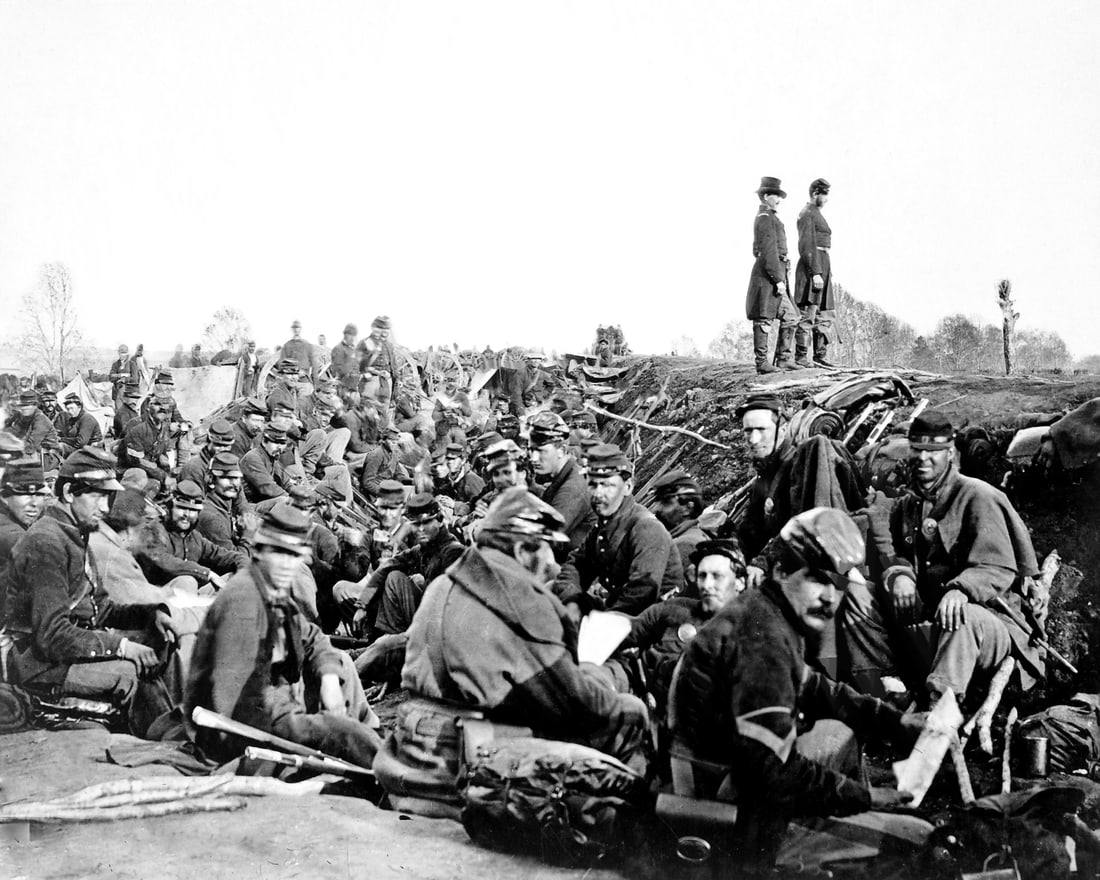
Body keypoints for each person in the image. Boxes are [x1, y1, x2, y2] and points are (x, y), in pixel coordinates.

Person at [671, 508, 920, 873]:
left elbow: (816, 687)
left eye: (838, 583)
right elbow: (774, 771)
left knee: (838, 731)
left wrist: (895, 721)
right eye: (818, 579)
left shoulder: (767, 611)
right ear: (781, 571)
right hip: (724, 806)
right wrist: (863, 798)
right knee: (911, 840)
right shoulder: (763, 639)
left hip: (727, 773)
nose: (830, 597)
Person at [375, 488, 649, 808]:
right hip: (470, 771)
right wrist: (599, 670)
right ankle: (624, 842)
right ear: (522, 550)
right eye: (549, 551)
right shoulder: (519, 601)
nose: (553, 565)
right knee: (629, 714)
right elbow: (580, 706)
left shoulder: (446, 583)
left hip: (410, 753)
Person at [838, 411, 1045, 705]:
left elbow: (998, 566)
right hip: (929, 622)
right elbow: (895, 555)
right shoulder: (908, 505)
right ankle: (888, 690)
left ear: (949, 453)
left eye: (933, 452)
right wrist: (900, 577)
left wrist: (961, 589)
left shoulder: (978, 496)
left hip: (987, 627)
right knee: (857, 596)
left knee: (962, 616)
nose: (923, 459)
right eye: (917, 451)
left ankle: (938, 711)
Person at [185, 502, 382, 768]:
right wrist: (308, 724)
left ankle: (375, 747)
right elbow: (239, 696)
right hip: (237, 725)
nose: (289, 564)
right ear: (261, 552)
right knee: (344, 734)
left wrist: (328, 678)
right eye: (281, 554)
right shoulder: (242, 599)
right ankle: (381, 762)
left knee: (340, 666)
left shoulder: (271, 589)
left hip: (274, 705)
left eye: (295, 555)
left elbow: (311, 635)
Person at [1, 448, 178, 733]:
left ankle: (166, 735)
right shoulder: (46, 542)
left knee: (153, 648)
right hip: (39, 668)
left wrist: (149, 616)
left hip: (64, 655)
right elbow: (52, 635)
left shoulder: (74, 532)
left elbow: (101, 608)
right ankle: (160, 745)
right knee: (131, 673)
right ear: (70, 492)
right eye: (97, 495)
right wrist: (121, 647)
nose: (106, 508)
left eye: (108, 497)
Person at [609, 538, 746, 710]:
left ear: (740, 582)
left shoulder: (749, 638)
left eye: (717, 576)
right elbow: (625, 631)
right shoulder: (675, 609)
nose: (706, 585)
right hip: (630, 695)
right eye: (702, 576)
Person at [553, 443, 682, 614]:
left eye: (607, 485)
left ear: (628, 487)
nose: (598, 494)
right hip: (617, 611)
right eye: (593, 485)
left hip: (650, 623)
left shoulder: (646, 528)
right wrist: (573, 600)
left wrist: (596, 622)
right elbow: (577, 565)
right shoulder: (605, 523)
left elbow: (641, 596)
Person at [353, 493, 464, 639]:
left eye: (426, 523)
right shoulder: (422, 550)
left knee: (395, 578)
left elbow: (447, 607)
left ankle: (390, 643)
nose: (420, 529)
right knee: (388, 574)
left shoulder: (453, 552)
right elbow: (387, 566)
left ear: (440, 520)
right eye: (416, 524)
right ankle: (384, 640)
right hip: (421, 622)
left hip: (439, 633)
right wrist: (362, 605)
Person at [135, 480, 245, 591]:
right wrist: (208, 573)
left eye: (192, 510)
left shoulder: (195, 538)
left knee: (231, 578)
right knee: (187, 581)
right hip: (154, 598)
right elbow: (164, 561)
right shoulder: (153, 530)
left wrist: (245, 568)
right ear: (170, 508)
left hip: (187, 598)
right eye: (181, 508)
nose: (186, 515)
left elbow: (228, 556)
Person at [746, 176, 799, 374]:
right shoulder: (765, 219)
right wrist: (777, 279)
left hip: (776, 271)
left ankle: (784, 359)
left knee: (791, 316)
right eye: (775, 196)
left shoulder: (770, 218)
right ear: (766, 196)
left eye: (779, 196)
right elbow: (767, 251)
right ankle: (762, 363)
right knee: (764, 318)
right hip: (768, 276)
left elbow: (758, 249)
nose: (778, 200)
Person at [527, 411, 595, 556]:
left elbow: (541, 540)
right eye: (531, 450)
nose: (533, 458)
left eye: (540, 451)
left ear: (561, 450)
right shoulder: (562, 477)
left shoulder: (573, 488)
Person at [794, 178, 838, 369]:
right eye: (824, 195)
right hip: (813, 267)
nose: (827, 199)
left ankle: (820, 356)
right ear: (815, 194)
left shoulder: (816, 213)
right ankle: (801, 358)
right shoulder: (807, 214)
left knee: (823, 314)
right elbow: (805, 245)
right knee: (809, 314)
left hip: (823, 264)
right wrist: (816, 272)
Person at [650, 470, 708, 592]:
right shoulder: (691, 538)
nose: (656, 509)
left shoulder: (685, 545)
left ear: (688, 508)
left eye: (665, 502)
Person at [196, 452, 256, 553]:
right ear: (211, 480)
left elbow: (243, 504)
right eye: (226, 478)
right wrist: (249, 534)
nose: (233, 483)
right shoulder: (212, 518)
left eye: (236, 477)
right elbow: (236, 560)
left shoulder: (221, 504)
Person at [0, 459, 49, 570]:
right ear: (5, 496)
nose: (34, 503)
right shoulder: (12, 536)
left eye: (39, 494)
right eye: (25, 495)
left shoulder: (16, 514)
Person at [357, 316, 400, 419]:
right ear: (374, 328)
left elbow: (393, 365)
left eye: (386, 328)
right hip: (371, 381)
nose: (384, 331)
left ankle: (381, 432)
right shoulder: (365, 343)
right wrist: (374, 372)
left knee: (384, 411)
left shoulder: (389, 345)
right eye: (381, 328)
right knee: (368, 410)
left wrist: (394, 381)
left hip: (386, 381)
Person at [7, 390, 59, 457]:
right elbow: (14, 431)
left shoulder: (41, 420)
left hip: (48, 457)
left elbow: (30, 447)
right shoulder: (26, 417)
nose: (24, 408)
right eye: (22, 405)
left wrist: (10, 448)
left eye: (27, 405)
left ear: (35, 406)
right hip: (34, 454)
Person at [330, 323, 360, 391]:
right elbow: (338, 369)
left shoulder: (353, 349)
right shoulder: (338, 349)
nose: (352, 338)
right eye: (350, 335)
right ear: (345, 335)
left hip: (354, 386)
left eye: (354, 335)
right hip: (343, 386)